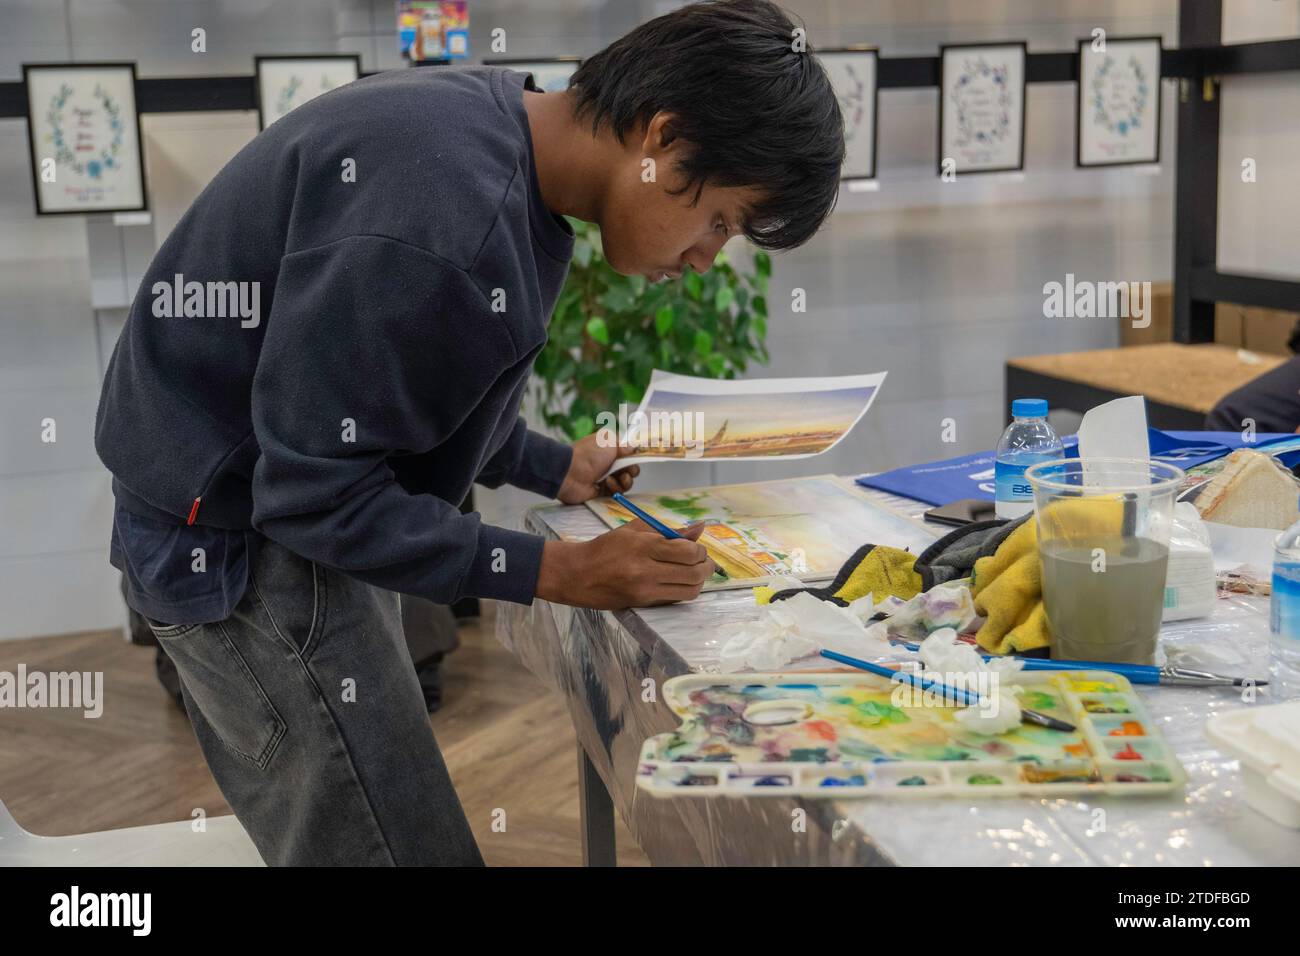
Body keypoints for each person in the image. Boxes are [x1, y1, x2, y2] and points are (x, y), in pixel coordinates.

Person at [94, 0, 843, 865]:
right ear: (663, 139)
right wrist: (556, 571)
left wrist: (553, 466)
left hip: (253, 510)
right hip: (233, 553)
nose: (709, 255)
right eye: (721, 219)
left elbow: (399, 392)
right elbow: (314, 493)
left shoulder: (501, 134)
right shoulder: (449, 216)